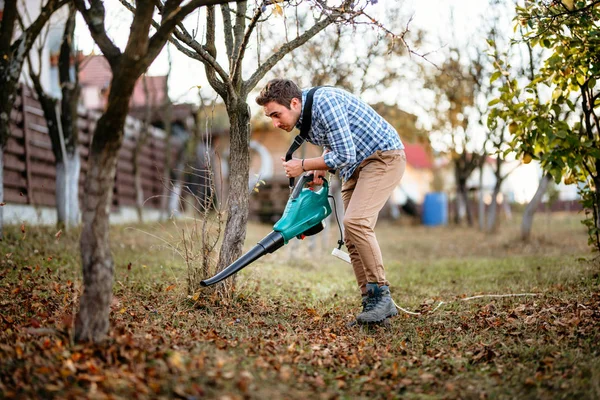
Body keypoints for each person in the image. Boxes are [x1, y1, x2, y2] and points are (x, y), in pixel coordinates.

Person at [255, 79, 406, 324]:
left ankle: (383, 297)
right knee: (351, 235)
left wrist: (303, 165)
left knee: (357, 222)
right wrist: (321, 169)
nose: (274, 123)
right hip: (354, 169)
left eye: (276, 114)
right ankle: (372, 308)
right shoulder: (306, 116)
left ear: (294, 102)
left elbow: (345, 154)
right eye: (270, 117)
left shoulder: (324, 102)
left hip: (383, 157)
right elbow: (334, 143)